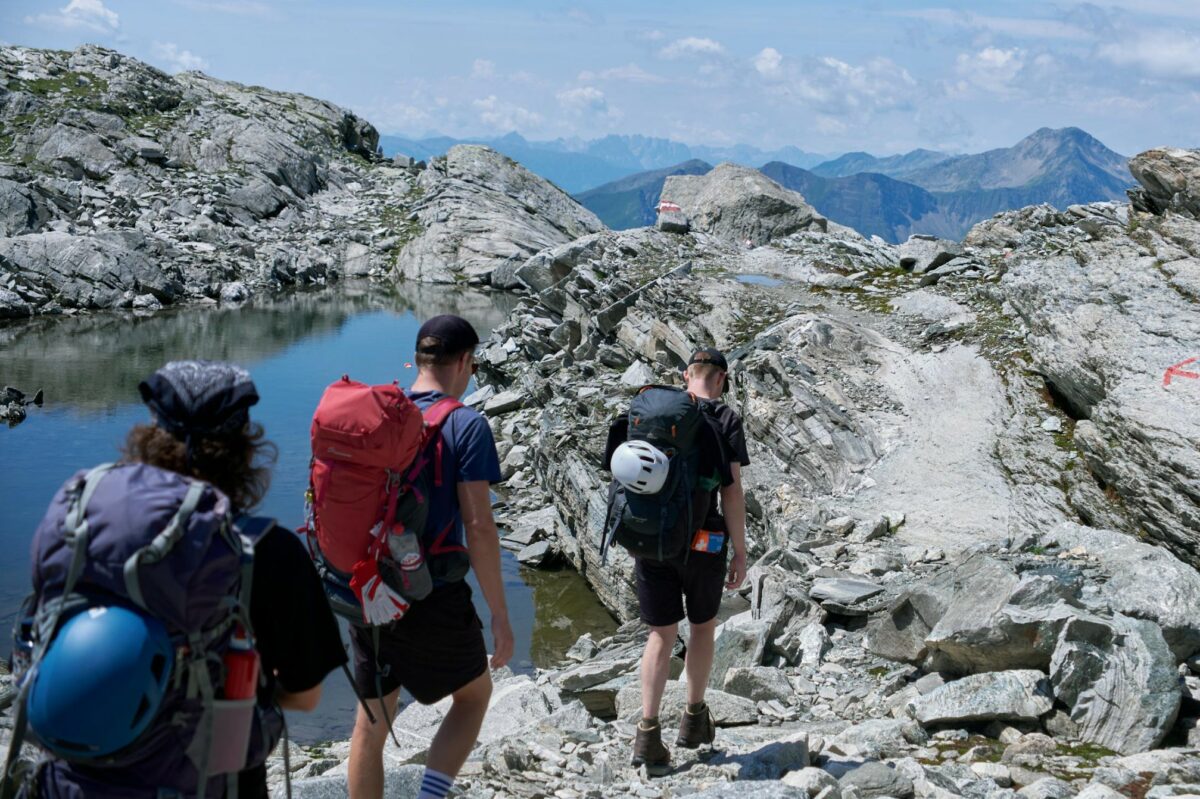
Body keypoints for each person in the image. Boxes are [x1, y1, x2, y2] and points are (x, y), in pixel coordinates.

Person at [16, 360, 346, 798]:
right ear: (244, 444)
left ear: (150, 430)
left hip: (69, 782)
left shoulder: (79, 513)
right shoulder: (263, 549)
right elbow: (305, 697)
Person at [347, 315, 512, 799]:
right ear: (464, 361)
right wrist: (499, 614)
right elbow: (479, 527)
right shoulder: (466, 424)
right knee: (474, 696)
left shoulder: (378, 415)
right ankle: (430, 795)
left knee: (370, 726)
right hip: (431, 592)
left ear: (419, 359)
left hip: (367, 588)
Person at [630, 347, 749, 775]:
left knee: (660, 635)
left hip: (653, 539)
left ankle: (647, 733)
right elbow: (731, 492)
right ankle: (694, 719)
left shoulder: (653, 412)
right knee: (702, 627)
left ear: (686, 376)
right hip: (704, 541)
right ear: (720, 381)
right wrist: (741, 551)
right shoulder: (725, 418)